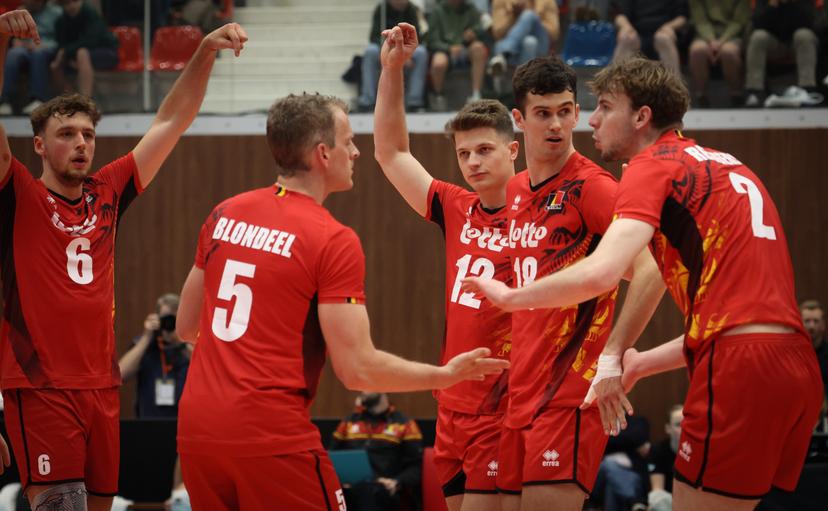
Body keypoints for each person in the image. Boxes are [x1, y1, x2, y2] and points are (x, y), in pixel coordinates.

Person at [462, 56, 823, 510]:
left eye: (604, 107)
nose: (590, 119)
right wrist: (637, 363)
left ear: (641, 116)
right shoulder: (731, 165)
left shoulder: (649, 167)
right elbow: (734, 320)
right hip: (795, 363)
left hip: (734, 365)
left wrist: (513, 297)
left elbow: (604, 271)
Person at [174, 92, 510, 511]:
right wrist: (445, 375)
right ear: (322, 154)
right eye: (348, 141)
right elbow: (358, 370)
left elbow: (187, 327)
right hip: (269, 431)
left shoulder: (225, 212)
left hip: (196, 430)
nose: (355, 152)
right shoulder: (330, 237)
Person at [0, 9, 248, 510]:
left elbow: (171, 120)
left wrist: (203, 52)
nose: (81, 143)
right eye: (67, 133)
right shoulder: (18, 193)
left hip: (103, 384)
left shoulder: (108, 189)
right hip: (42, 385)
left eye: (88, 134)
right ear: (40, 145)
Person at [491, 54, 662, 511]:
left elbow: (651, 270)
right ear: (518, 120)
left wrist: (612, 358)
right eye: (543, 113)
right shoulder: (514, 190)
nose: (557, 125)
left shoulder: (593, 187)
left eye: (565, 111)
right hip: (519, 396)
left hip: (568, 393)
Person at [373, 23, 515, 511]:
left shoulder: (542, 215)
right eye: (463, 153)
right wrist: (392, 70)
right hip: (451, 403)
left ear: (513, 150)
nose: (472, 162)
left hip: (504, 406)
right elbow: (392, 154)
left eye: (484, 150)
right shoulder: (455, 206)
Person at [330, 392, 423, 511]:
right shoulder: (348, 422)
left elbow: (416, 467)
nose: (363, 387)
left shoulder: (405, 424)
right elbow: (331, 457)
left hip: (383, 489)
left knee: (369, 492)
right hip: (349, 487)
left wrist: (396, 482)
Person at [118, 293, 192, 418]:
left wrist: (181, 341)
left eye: (175, 319)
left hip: (183, 426)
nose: (170, 324)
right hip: (148, 427)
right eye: (166, 319)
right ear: (157, 319)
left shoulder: (188, 346)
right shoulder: (145, 344)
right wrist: (146, 337)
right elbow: (120, 375)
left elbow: (209, 372)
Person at [744, 0, 821, 107]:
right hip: (774, 44)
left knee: (804, 35)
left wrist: (792, 4)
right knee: (758, 36)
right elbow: (757, 24)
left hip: (797, 45)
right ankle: (755, 92)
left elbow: (810, 23)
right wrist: (771, 7)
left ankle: (807, 90)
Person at [356, 0, 428, 112]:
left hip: (405, 48)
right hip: (385, 47)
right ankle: (367, 100)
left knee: (421, 52)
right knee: (370, 51)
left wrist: (405, 53)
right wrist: (391, 50)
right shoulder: (381, 9)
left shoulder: (412, 9)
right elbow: (374, 37)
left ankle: (415, 101)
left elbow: (417, 36)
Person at [0, 0, 62, 115]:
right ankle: (4, 101)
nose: (29, 2)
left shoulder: (56, 12)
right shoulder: (20, 10)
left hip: (47, 47)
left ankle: (37, 99)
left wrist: (41, 44)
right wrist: (15, 41)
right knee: (14, 53)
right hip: (25, 46)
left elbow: (63, 38)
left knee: (38, 54)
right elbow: (12, 35)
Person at [427, 0, 488, 110]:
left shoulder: (470, 8)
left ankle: (476, 94)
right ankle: (438, 95)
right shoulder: (437, 11)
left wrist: (473, 32)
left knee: (479, 48)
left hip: (466, 47)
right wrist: (448, 48)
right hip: (445, 50)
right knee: (438, 63)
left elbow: (479, 28)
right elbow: (432, 41)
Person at [687, 0, 750, 107]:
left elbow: (739, 21)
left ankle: (736, 94)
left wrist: (722, 41)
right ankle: (701, 96)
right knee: (697, 50)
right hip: (704, 35)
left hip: (732, 35)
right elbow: (700, 20)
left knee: (728, 52)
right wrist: (711, 40)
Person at [51, 0, 119, 98]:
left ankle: (85, 100)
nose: (72, 6)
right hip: (75, 55)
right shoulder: (61, 21)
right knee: (55, 65)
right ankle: (72, 99)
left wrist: (66, 52)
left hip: (107, 52)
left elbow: (91, 41)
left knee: (82, 53)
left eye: (75, 2)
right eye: (67, 3)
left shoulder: (90, 13)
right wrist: (66, 56)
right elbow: (61, 44)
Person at [613, 0, 688, 74]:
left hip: (663, 33)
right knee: (626, 38)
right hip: (637, 34)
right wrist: (626, 27)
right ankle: (616, 83)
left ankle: (673, 84)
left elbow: (682, 18)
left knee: (664, 39)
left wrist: (669, 27)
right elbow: (620, 15)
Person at [488, 0, 559, 73]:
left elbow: (554, 33)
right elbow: (497, 33)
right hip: (514, 46)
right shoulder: (500, 1)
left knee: (529, 15)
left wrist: (533, 21)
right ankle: (525, 81)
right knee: (530, 42)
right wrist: (514, 16)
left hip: (541, 44)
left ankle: (504, 54)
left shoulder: (548, 1)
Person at [647, 405, 682, 511]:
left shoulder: (699, 452)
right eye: (678, 425)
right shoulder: (658, 450)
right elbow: (657, 490)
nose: (684, 428)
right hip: (668, 502)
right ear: (668, 429)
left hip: (692, 501)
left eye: (687, 424)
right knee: (656, 497)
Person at [801, 300, 828, 398]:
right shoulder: (791, 355)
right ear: (799, 323)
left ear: (823, 325)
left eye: (816, 321)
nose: (811, 326)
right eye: (807, 321)